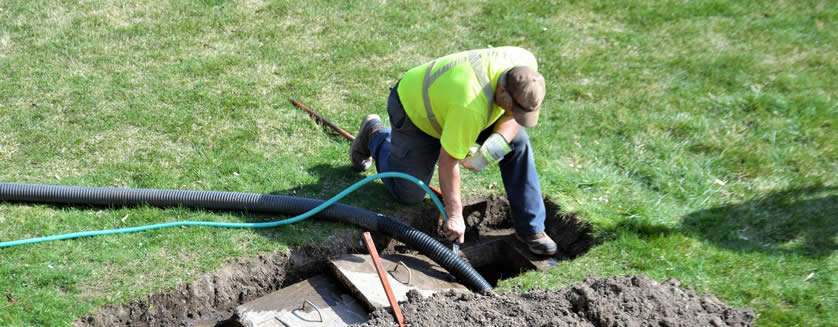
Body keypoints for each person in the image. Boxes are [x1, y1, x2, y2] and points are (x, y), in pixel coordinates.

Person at [350, 46, 557, 256]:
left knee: (518, 143)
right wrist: (455, 215)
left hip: (452, 105)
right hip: (416, 111)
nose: (516, 115)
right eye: (515, 108)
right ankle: (375, 134)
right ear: (502, 91)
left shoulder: (525, 66)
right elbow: (448, 162)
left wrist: (491, 151)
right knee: (409, 193)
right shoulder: (470, 105)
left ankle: (531, 228)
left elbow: (513, 119)